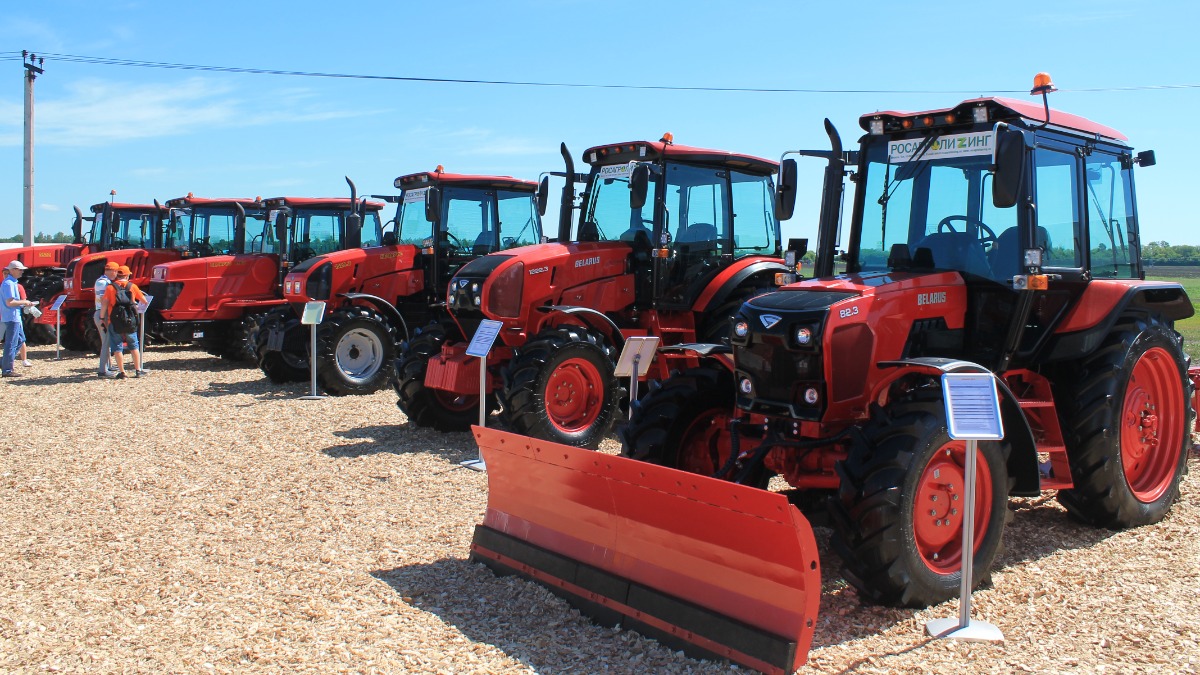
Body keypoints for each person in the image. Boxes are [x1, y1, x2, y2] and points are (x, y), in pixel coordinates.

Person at [100, 265, 148, 379]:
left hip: (115, 320)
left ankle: (122, 372)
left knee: (117, 346)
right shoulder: (133, 286)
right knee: (134, 345)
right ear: (127, 275)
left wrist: (102, 318)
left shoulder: (110, 288)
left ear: (117, 275)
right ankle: (138, 370)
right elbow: (144, 301)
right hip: (130, 320)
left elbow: (105, 304)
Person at [1, 260, 36, 377]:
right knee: (11, 343)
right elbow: (10, 302)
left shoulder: (11, 283)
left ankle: (5, 362)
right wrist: (25, 302)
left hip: (13, 316)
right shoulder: (9, 284)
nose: (22, 272)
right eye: (20, 269)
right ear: (13, 270)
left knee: (20, 340)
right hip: (12, 317)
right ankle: (7, 369)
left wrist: (23, 303)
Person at [94, 261, 120, 376]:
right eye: (116, 272)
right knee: (106, 343)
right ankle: (103, 370)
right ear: (113, 271)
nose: (117, 275)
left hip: (101, 313)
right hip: (103, 314)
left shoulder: (102, 281)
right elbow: (104, 301)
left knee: (106, 341)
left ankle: (108, 366)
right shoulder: (103, 283)